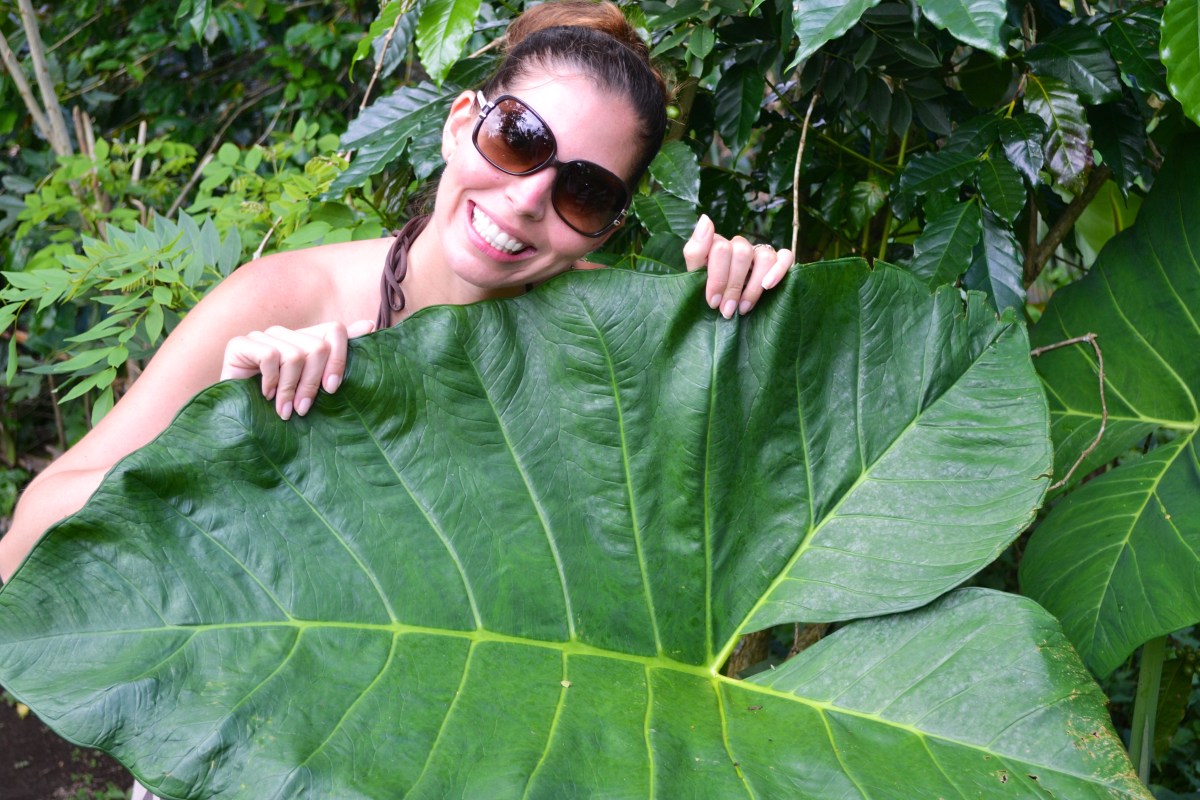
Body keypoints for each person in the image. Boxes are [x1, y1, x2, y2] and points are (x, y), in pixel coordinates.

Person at [0, 0, 792, 590]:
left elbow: (730, 525)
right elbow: (24, 546)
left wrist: (740, 330)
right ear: (459, 123)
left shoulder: (612, 345)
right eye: (518, 139)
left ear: (610, 228)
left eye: (582, 192)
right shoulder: (287, 298)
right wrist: (229, 441)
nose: (526, 200)